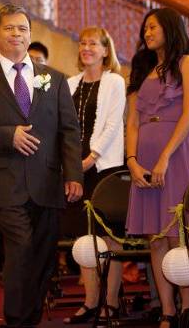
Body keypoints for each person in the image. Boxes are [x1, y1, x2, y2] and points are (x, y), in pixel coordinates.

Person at [0, 4, 83, 328]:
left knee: (42, 256)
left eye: (23, 28)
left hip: (47, 182)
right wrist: (6, 136)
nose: (17, 33)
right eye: (9, 28)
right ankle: (15, 320)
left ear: (30, 35)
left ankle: (28, 319)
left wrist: (74, 174)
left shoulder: (55, 79)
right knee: (21, 248)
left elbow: (69, 130)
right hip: (5, 183)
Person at [125, 7, 189, 328]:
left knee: (177, 235)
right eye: (145, 28)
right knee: (155, 239)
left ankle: (187, 308)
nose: (147, 32)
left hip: (176, 153)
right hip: (143, 156)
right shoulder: (145, 68)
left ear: (170, 28)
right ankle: (167, 310)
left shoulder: (188, 63)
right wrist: (131, 161)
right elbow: (132, 121)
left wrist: (166, 156)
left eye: (153, 27)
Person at [63, 27, 126, 324]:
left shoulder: (114, 81)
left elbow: (113, 125)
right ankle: (90, 301)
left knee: (110, 237)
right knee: (84, 238)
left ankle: (111, 301)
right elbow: (64, 128)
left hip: (105, 167)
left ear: (105, 50)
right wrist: (72, 164)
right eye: (82, 42)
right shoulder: (70, 82)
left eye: (93, 43)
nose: (86, 47)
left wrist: (91, 157)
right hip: (77, 169)